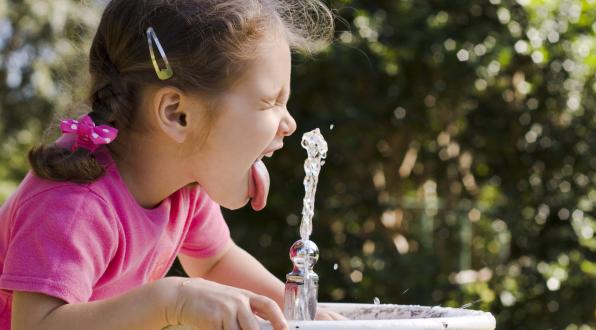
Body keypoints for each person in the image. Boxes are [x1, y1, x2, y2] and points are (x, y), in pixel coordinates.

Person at [0, 0, 342, 329]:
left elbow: (216, 260)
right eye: (271, 102)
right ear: (177, 114)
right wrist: (171, 300)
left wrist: (300, 314)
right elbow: (34, 325)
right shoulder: (75, 205)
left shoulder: (184, 187)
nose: (290, 123)